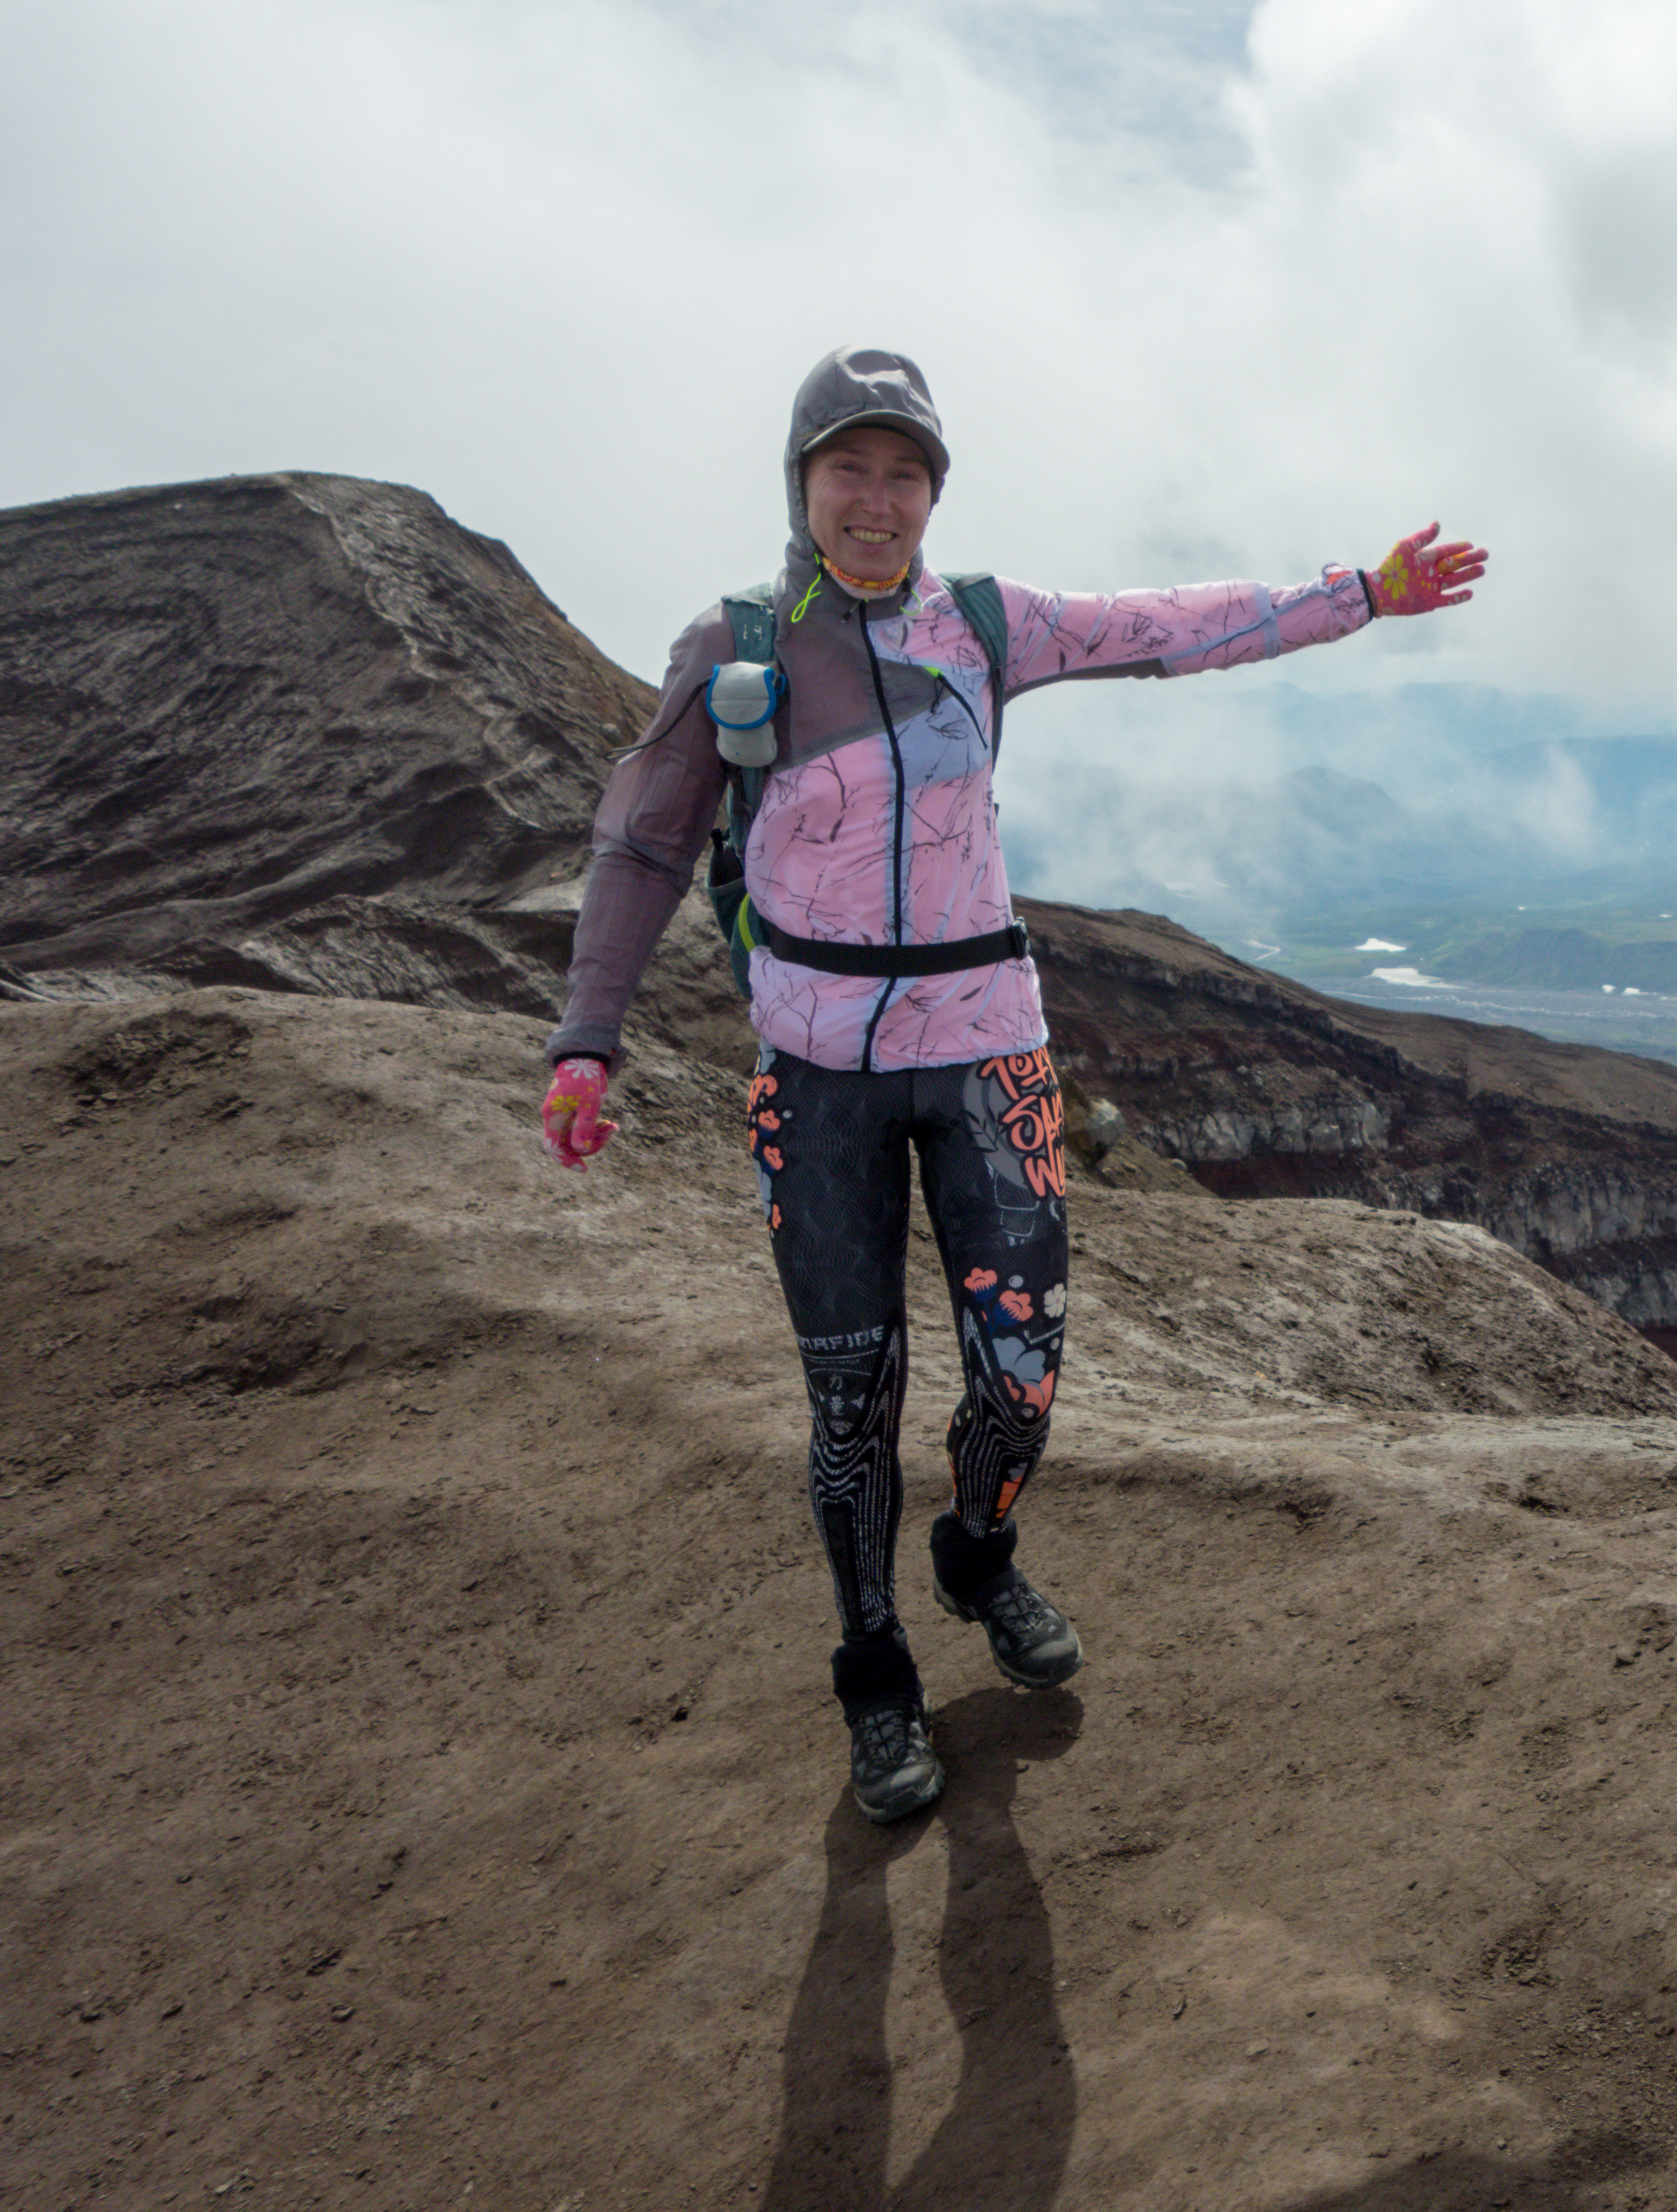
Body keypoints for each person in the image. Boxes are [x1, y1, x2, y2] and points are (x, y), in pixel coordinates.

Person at [537, 346, 1484, 1822]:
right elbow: (644, 844)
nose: (877, 499)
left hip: (987, 1050)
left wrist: (1361, 592)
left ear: (934, 493)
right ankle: (875, 1671)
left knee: (1022, 1377)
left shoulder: (986, 626)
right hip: (818, 1075)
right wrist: (586, 1039)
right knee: (852, 1403)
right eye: (849, 469)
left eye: (905, 474)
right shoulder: (735, 646)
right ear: (801, 484)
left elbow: (1171, 626)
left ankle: (976, 1552)